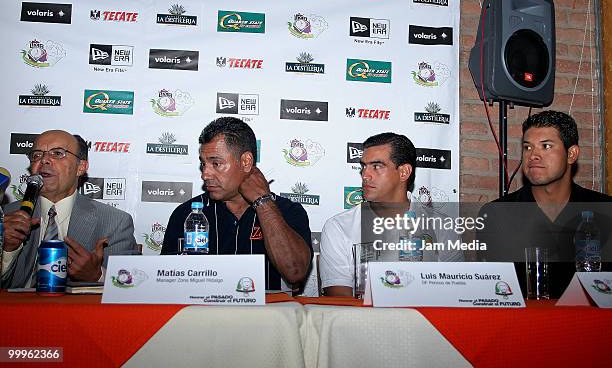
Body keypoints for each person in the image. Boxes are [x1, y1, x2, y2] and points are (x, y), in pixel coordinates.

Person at [161, 117, 312, 290]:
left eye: (216, 163)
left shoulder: (288, 211)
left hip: (267, 315)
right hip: (202, 315)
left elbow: (295, 273)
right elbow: (167, 287)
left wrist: (263, 203)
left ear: (246, 162)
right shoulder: (187, 213)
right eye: (203, 164)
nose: (205, 174)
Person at [478, 110, 612, 298]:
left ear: (571, 154)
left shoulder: (603, 210)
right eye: (527, 147)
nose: (533, 155)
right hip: (522, 325)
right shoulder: (496, 215)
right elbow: (492, 293)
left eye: (546, 146)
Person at [319, 132, 463, 297]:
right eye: (363, 166)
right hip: (363, 322)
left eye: (377, 166)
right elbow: (340, 304)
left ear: (404, 172)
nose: (365, 175)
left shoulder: (442, 226)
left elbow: (455, 294)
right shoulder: (339, 227)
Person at [1, 130, 138, 288]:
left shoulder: (114, 222)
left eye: (58, 153)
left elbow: (130, 286)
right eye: (37, 155)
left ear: (81, 167)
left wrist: (97, 276)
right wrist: (7, 251)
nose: (44, 160)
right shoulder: (6, 217)